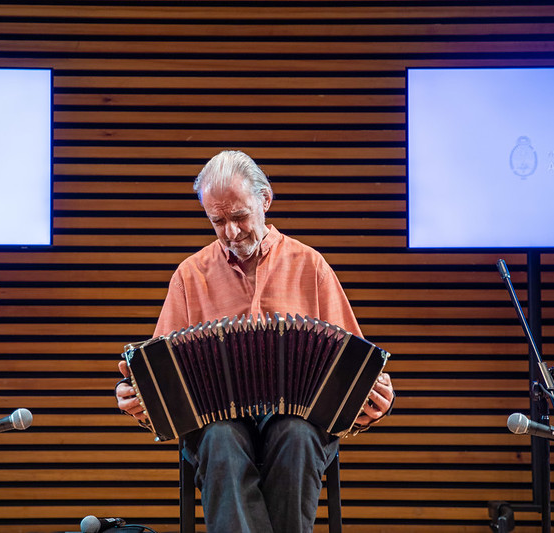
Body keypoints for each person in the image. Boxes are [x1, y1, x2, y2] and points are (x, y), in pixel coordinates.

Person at [116, 150, 395, 533]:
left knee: (294, 433)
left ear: (265, 200)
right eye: (218, 221)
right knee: (221, 439)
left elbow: (356, 369)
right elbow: (161, 379)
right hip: (218, 427)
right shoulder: (189, 276)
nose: (231, 232)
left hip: (302, 426)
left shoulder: (311, 266)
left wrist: (376, 399)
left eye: (240, 216)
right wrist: (140, 399)